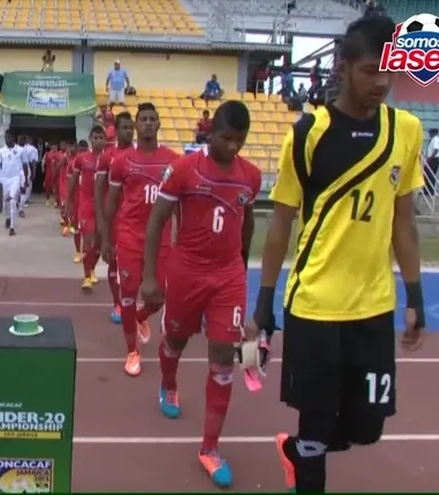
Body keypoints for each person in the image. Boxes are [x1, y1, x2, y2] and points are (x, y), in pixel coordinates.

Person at [250, 15, 426, 493]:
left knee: (367, 428)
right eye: (372, 71)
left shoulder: (406, 131)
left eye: (390, 71)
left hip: (373, 307)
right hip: (314, 305)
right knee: (315, 428)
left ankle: (299, 447)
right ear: (344, 68)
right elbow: (280, 223)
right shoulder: (308, 133)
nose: (383, 83)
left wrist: (416, 298)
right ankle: (304, 460)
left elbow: (403, 224)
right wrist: (264, 305)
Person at [141, 100, 260, 488]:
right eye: (227, 138)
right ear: (210, 134)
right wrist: (149, 277)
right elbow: (158, 219)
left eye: (240, 141)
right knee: (175, 339)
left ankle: (210, 447)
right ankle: (169, 382)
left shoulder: (250, 176)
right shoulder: (183, 171)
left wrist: (241, 265)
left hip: (228, 277)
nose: (233, 148)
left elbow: (248, 221)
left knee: (224, 354)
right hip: (187, 271)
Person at [101, 102, 178, 377]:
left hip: (162, 242)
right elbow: (111, 203)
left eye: (151, 119)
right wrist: (107, 239)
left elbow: (181, 204)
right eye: (142, 119)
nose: (147, 123)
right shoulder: (123, 161)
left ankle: (142, 318)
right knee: (129, 296)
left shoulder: (174, 161)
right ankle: (132, 351)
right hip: (130, 237)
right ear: (136, 125)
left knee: (160, 295)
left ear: (158, 125)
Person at [95, 111, 135, 324]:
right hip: (114, 218)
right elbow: (98, 192)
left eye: (131, 127)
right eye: (125, 127)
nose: (128, 131)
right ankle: (118, 303)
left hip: (135, 220)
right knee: (114, 263)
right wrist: (102, 224)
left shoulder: (140, 155)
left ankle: (132, 302)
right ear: (116, 131)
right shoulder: (106, 157)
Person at [67, 126, 107, 290]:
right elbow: (73, 180)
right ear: (91, 139)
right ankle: (86, 277)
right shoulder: (82, 158)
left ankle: (91, 268)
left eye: (101, 138)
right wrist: (69, 200)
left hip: (104, 205)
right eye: (95, 138)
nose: (98, 141)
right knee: (89, 239)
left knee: (99, 243)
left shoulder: (111, 158)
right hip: (86, 204)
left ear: (105, 139)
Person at [0, 130, 25, 236]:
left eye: (9, 137)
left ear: (13, 138)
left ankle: (13, 226)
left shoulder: (21, 150)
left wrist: (24, 182)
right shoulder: (1, 151)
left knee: (13, 201)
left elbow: (25, 166)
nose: (7, 139)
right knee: (6, 201)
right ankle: (8, 217)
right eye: (6, 137)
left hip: (15, 178)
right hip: (4, 179)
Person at [66, 141, 86, 262]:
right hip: (78, 198)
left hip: (89, 199)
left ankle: (87, 253)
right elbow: (70, 185)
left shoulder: (94, 162)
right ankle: (78, 251)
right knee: (77, 227)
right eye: (81, 149)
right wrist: (70, 202)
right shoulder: (72, 164)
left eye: (85, 149)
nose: (83, 151)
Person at [424, 127, 439, 198]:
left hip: (433, 159)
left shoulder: (436, 139)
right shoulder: (433, 139)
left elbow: (436, 150)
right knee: (429, 174)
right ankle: (428, 190)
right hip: (433, 159)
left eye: (430, 133)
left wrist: (429, 158)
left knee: (429, 174)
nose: (429, 134)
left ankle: (429, 190)